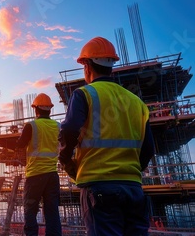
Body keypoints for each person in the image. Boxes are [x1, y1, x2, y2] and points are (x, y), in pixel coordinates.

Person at [58, 36, 155, 236]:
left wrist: (66, 161)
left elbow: (68, 131)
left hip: (99, 188)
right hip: (133, 189)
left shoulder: (84, 94)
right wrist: (129, 170)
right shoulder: (137, 103)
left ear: (87, 65)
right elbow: (148, 150)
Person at [4, 93, 62, 236]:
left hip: (35, 175)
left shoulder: (31, 126)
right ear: (50, 110)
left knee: (30, 210)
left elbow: (20, 145)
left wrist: (11, 145)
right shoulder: (58, 126)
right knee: (52, 212)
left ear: (35, 109)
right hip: (52, 175)